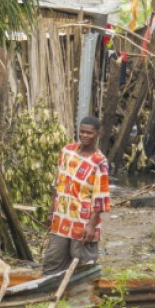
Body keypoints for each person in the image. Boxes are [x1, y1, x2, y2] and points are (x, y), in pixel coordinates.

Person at [42, 116, 111, 275]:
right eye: (82, 132)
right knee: (52, 260)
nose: (85, 136)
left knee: (82, 262)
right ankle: (48, 294)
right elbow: (57, 184)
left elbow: (100, 197)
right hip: (61, 218)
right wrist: (52, 211)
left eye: (89, 133)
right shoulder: (67, 151)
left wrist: (92, 225)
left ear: (98, 134)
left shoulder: (99, 162)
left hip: (83, 220)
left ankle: (83, 295)